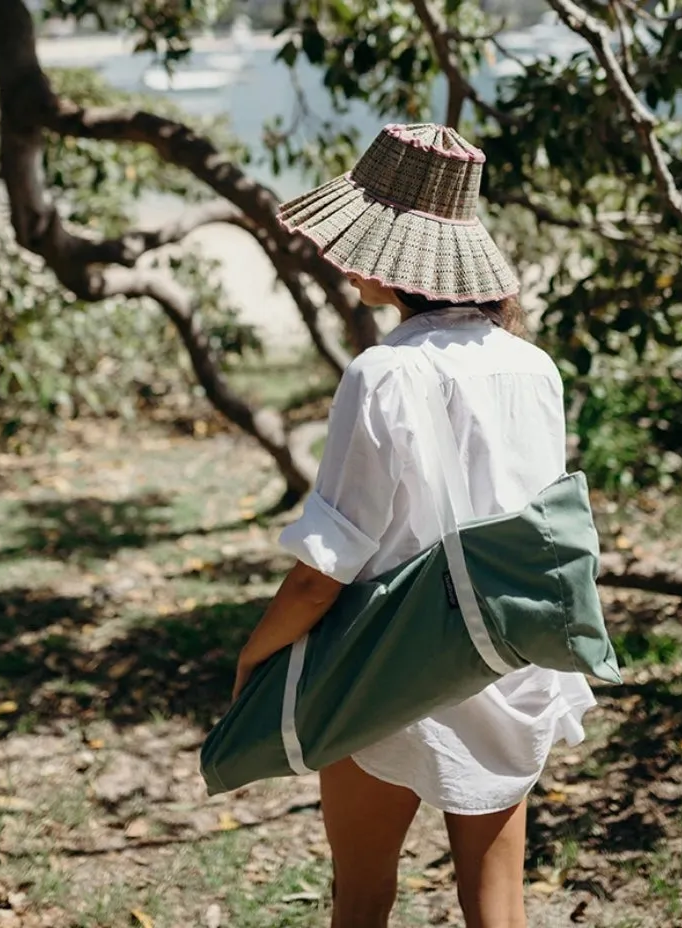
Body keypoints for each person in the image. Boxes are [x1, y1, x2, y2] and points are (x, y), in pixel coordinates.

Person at [231, 124, 596, 928]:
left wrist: (255, 654)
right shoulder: (533, 367)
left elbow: (325, 567)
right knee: (498, 905)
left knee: (361, 898)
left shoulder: (384, 373)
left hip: (388, 667)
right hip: (504, 660)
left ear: (391, 256)